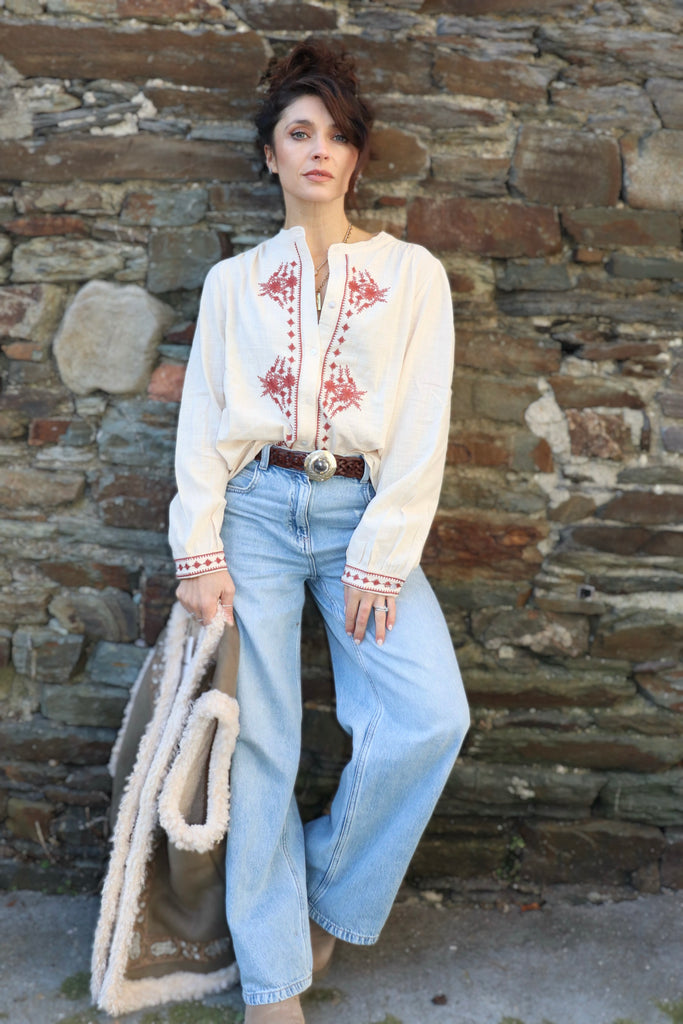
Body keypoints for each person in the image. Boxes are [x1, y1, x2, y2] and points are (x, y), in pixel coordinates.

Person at [169, 39, 470, 1024]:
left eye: (336, 137)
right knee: (255, 741)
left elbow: (421, 422)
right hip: (253, 508)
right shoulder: (232, 284)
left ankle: (328, 897)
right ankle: (272, 982)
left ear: (355, 159)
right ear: (268, 154)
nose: (317, 151)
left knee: (428, 715)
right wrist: (198, 551)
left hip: (359, 516)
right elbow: (203, 423)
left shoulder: (412, 275)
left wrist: (385, 552)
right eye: (298, 133)